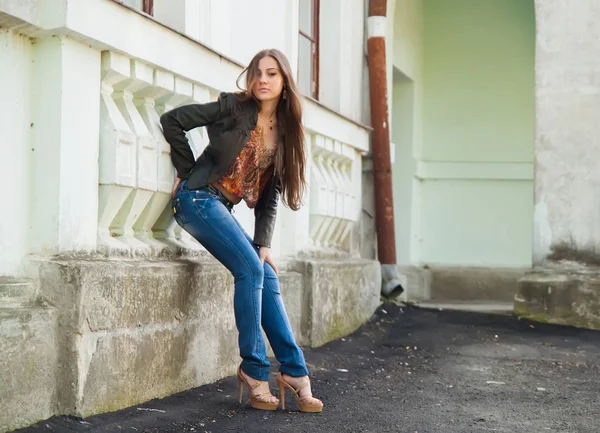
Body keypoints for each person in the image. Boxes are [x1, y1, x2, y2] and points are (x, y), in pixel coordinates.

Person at [160, 49, 323, 413]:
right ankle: (253, 370)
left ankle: (295, 373)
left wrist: (263, 243)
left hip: (222, 209)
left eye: (272, 74)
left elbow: (271, 195)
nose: (263, 80)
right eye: (257, 73)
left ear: (284, 84)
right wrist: (186, 171)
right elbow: (173, 120)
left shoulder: (286, 134)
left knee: (263, 269)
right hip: (197, 200)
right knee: (249, 270)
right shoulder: (233, 107)